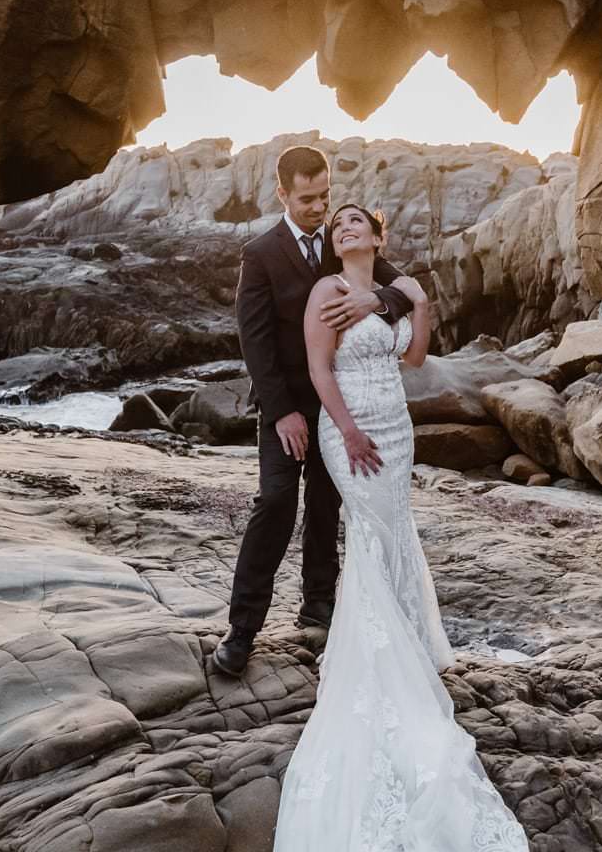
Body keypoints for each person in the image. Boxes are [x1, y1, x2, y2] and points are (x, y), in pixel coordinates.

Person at [272, 203, 529, 851]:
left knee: (394, 528)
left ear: (377, 236)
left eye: (357, 222)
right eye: (337, 227)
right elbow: (319, 369)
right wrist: (349, 429)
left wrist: (421, 309)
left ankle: (407, 639)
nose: (345, 229)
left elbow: (415, 360)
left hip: (396, 422)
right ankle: (375, 652)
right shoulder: (326, 292)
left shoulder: (392, 292)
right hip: (351, 425)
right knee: (368, 530)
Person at [214, 145, 414, 676]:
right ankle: (242, 629)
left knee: (327, 507)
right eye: (307, 198)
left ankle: (318, 609)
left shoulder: (336, 241)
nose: (318, 207)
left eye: (325, 195)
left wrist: (379, 303)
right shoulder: (260, 254)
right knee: (276, 502)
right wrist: (282, 412)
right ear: (282, 193)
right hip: (286, 409)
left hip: (340, 404)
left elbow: (401, 289)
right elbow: (254, 340)